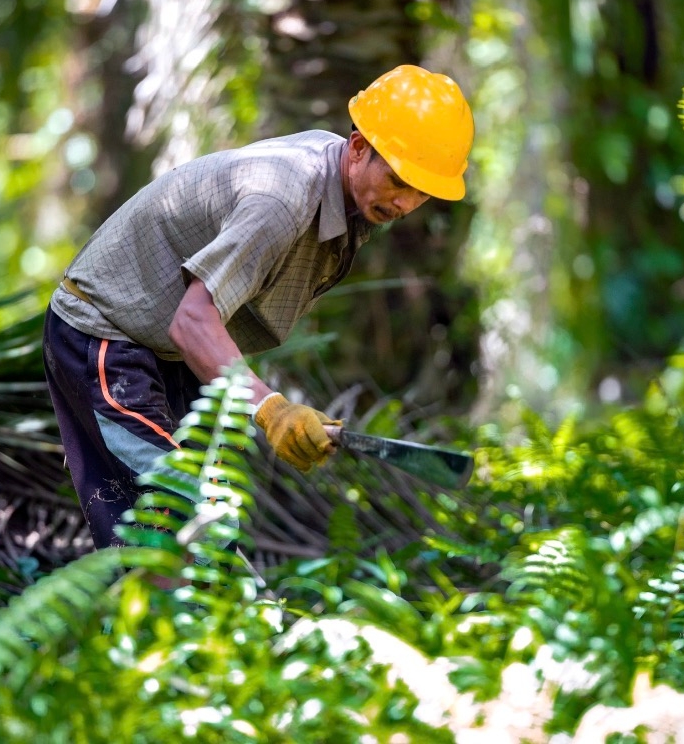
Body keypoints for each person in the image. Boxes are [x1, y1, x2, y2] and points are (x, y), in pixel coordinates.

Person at [41, 64, 475, 548]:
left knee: (206, 526)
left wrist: (278, 408)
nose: (405, 202)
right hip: (104, 336)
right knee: (170, 520)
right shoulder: (283, 196)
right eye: (398, 180)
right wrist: (271, 409)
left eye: (422, 192)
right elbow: (193, 321)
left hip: (164, 351)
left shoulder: (347, 196)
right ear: (356, 148)